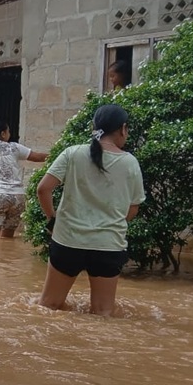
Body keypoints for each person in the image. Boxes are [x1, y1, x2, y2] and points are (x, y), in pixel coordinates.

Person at [36, 104, 145, 316]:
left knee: (49, 307)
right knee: (103, 312)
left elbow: (43, 189)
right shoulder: (130, 163)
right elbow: (132, 210)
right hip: (108, 247)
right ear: (123, 129)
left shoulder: (72, 153)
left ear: (94, 128)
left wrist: (53, 219)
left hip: (68, 242)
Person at [0, 119, 48, 238]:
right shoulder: (14, 147)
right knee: (7, 239)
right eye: (9, 131)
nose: (9, 134)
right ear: (3, 134)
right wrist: (58, 154)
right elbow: (37, 157)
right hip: (17, 197)